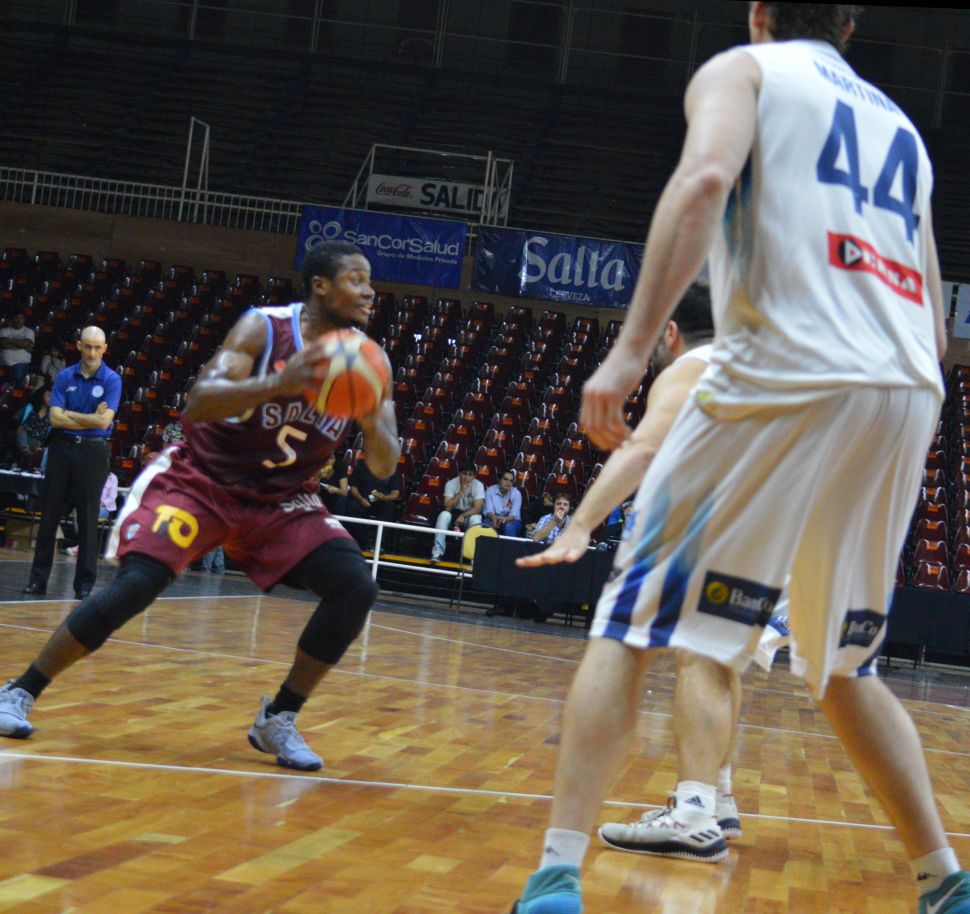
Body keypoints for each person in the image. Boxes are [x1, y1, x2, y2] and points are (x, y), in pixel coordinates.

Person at [508, 6, 969, 914]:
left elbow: (704, 180)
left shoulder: (747, 71)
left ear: (759, 13)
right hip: (906, 391)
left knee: (629, 627)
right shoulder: (902, 129)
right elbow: (936, 317)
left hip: (787, 366)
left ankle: (555, 878)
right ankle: (946, 882)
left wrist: (629, 352)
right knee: (844, 665)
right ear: (850, 23)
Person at [0, 240, 400, 777]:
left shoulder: (370, 361)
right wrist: (280, 383)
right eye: (357, 279)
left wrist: (372, 417)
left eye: (370, 281)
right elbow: (202, 400)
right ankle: (20, 691)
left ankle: (279, 716)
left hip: (283, 497)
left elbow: (384, 465)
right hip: (204, 480)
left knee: (356, 586)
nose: (370, 291)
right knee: (139, 583)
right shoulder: (265, 328)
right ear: (320, 286)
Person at [518, 282, 786, 857]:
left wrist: (580, 523)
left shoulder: (691, 366)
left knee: (632, 651)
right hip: (769, 529)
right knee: (714, 660)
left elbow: (641, 449)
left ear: (670, 333)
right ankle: (715, 799)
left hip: (706, 524)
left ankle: (685, 814)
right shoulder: (759, 373)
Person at [22, 328, 121, 600]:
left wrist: (70, 415)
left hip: (93, 452)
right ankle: (37, 582)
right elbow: (55, 419)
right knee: (49, 516)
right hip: (61, 449)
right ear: (79, 346)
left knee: (88, 520)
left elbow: (104, 422)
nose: (92, 352)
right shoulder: (65, 376)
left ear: (105, 348)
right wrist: (89, 418)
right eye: (87, 346)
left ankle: (84, 586)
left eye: (97, 347)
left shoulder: (112, 380)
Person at [430, 462, 484, 563]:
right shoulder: (451, 484)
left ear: (474, 476)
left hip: (469, 515)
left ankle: (473, 556)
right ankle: (437, 553)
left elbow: (478, 508)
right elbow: (448, 507)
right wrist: (461, 492)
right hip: (453, 513)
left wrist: (463, 515)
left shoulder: (478, 485)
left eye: (470, 475)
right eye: (464, 474)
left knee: (476, 519)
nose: (467, 477)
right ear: (459, 473)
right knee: (443, 515)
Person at [344, 459, 401, 549]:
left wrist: (385, 497)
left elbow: (395, 493)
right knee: (352, 507)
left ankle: (379, 544)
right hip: (362, 499)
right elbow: (353, 488)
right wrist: (361, 499)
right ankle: (365, 541)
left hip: (382, 501)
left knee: (389, 508)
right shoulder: (361, 465)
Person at [482, 470, 523, 537]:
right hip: (493, 517)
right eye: (505, 479)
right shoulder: (490, 490)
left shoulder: (516, 493)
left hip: (511, 520)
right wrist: (493, 517)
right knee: (487, 524)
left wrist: (504, 519)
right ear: (499, 480)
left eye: (511, 481)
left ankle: (510, 544)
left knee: (509, 527)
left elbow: (514, 515)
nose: (508, 482)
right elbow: (489, 511)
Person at [0, 311, 35, 384]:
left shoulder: (29, 331)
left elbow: (25, 344)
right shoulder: (4, 330)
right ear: (12, 319)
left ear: (24, 320)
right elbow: (3, 344)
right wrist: (23, 346)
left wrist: (9, 340)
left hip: (20, 365)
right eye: (16, 318)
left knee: (17, 379)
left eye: (21, 318)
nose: (19, 320)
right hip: (3, 364)